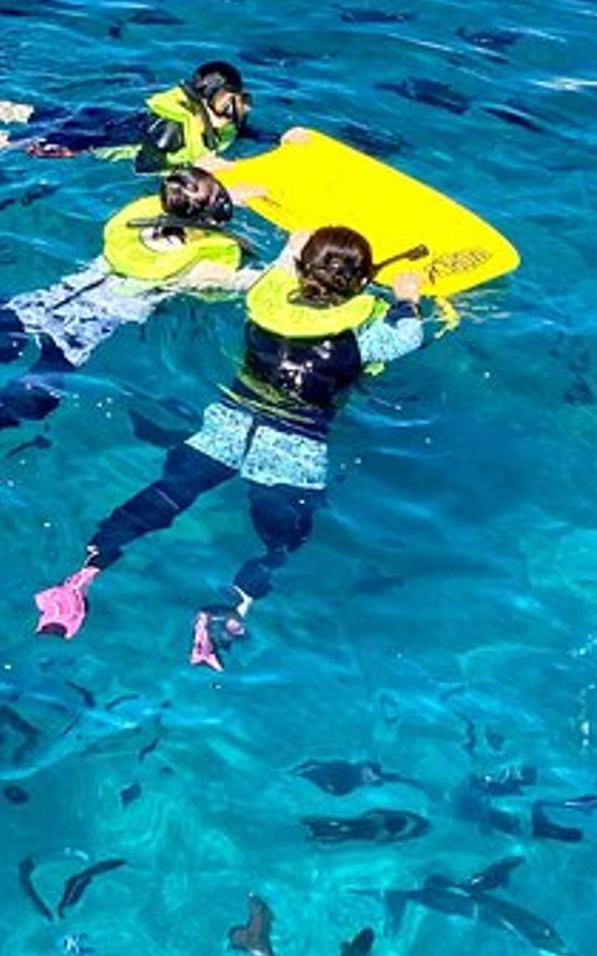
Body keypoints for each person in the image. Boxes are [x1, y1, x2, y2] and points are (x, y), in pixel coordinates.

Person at [33, 225, 429, 669]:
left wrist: (292, 247)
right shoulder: (361, 340)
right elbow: (407, 337)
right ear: (359, 284)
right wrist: (406, 299)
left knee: (167, 493)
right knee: (283, 542)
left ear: (302, 270)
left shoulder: (264, 301)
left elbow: (281, 272)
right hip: (294, 452)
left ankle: (80, 579)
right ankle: (231, 607)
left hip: (225, 428)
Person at [0, 167, 264, 489]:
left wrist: (237, 192)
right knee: (38, 398)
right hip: (79, 330)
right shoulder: (198, 266)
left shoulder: (135, 223)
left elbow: (186, 201)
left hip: (38, 303)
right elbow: (252, 282)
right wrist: (290, 252)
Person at [0, 60, 253, 172]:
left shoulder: (203, 118)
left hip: (93, 116)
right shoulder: (171, 131)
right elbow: (143, 163)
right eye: (227, 104)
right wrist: (68, 149)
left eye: (238, 102)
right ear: (205, 101)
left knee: (10, 110)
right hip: (81, 136)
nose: (233, 112)